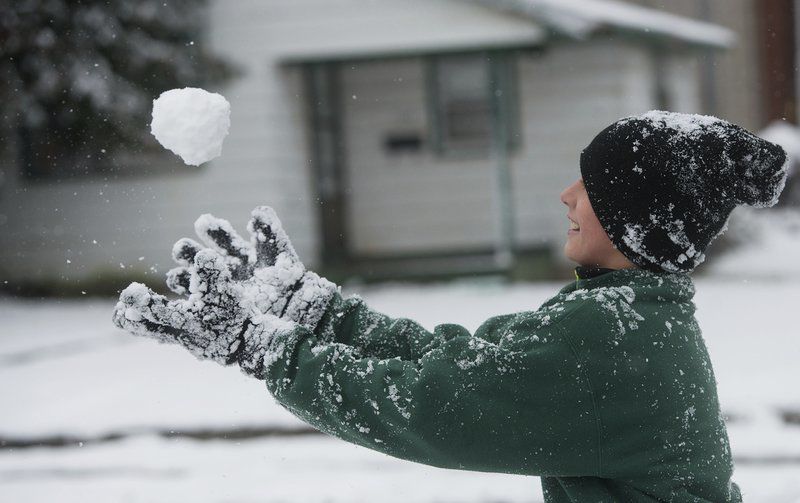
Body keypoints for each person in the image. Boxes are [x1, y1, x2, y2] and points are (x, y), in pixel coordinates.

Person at [113, 111, 789, 502]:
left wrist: (263, 349)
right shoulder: (633, 317)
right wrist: (317, 312)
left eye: (589, 186)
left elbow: (435, 407)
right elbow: (462, 360)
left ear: (635, 219)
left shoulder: (610, 336)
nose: (566, 195)